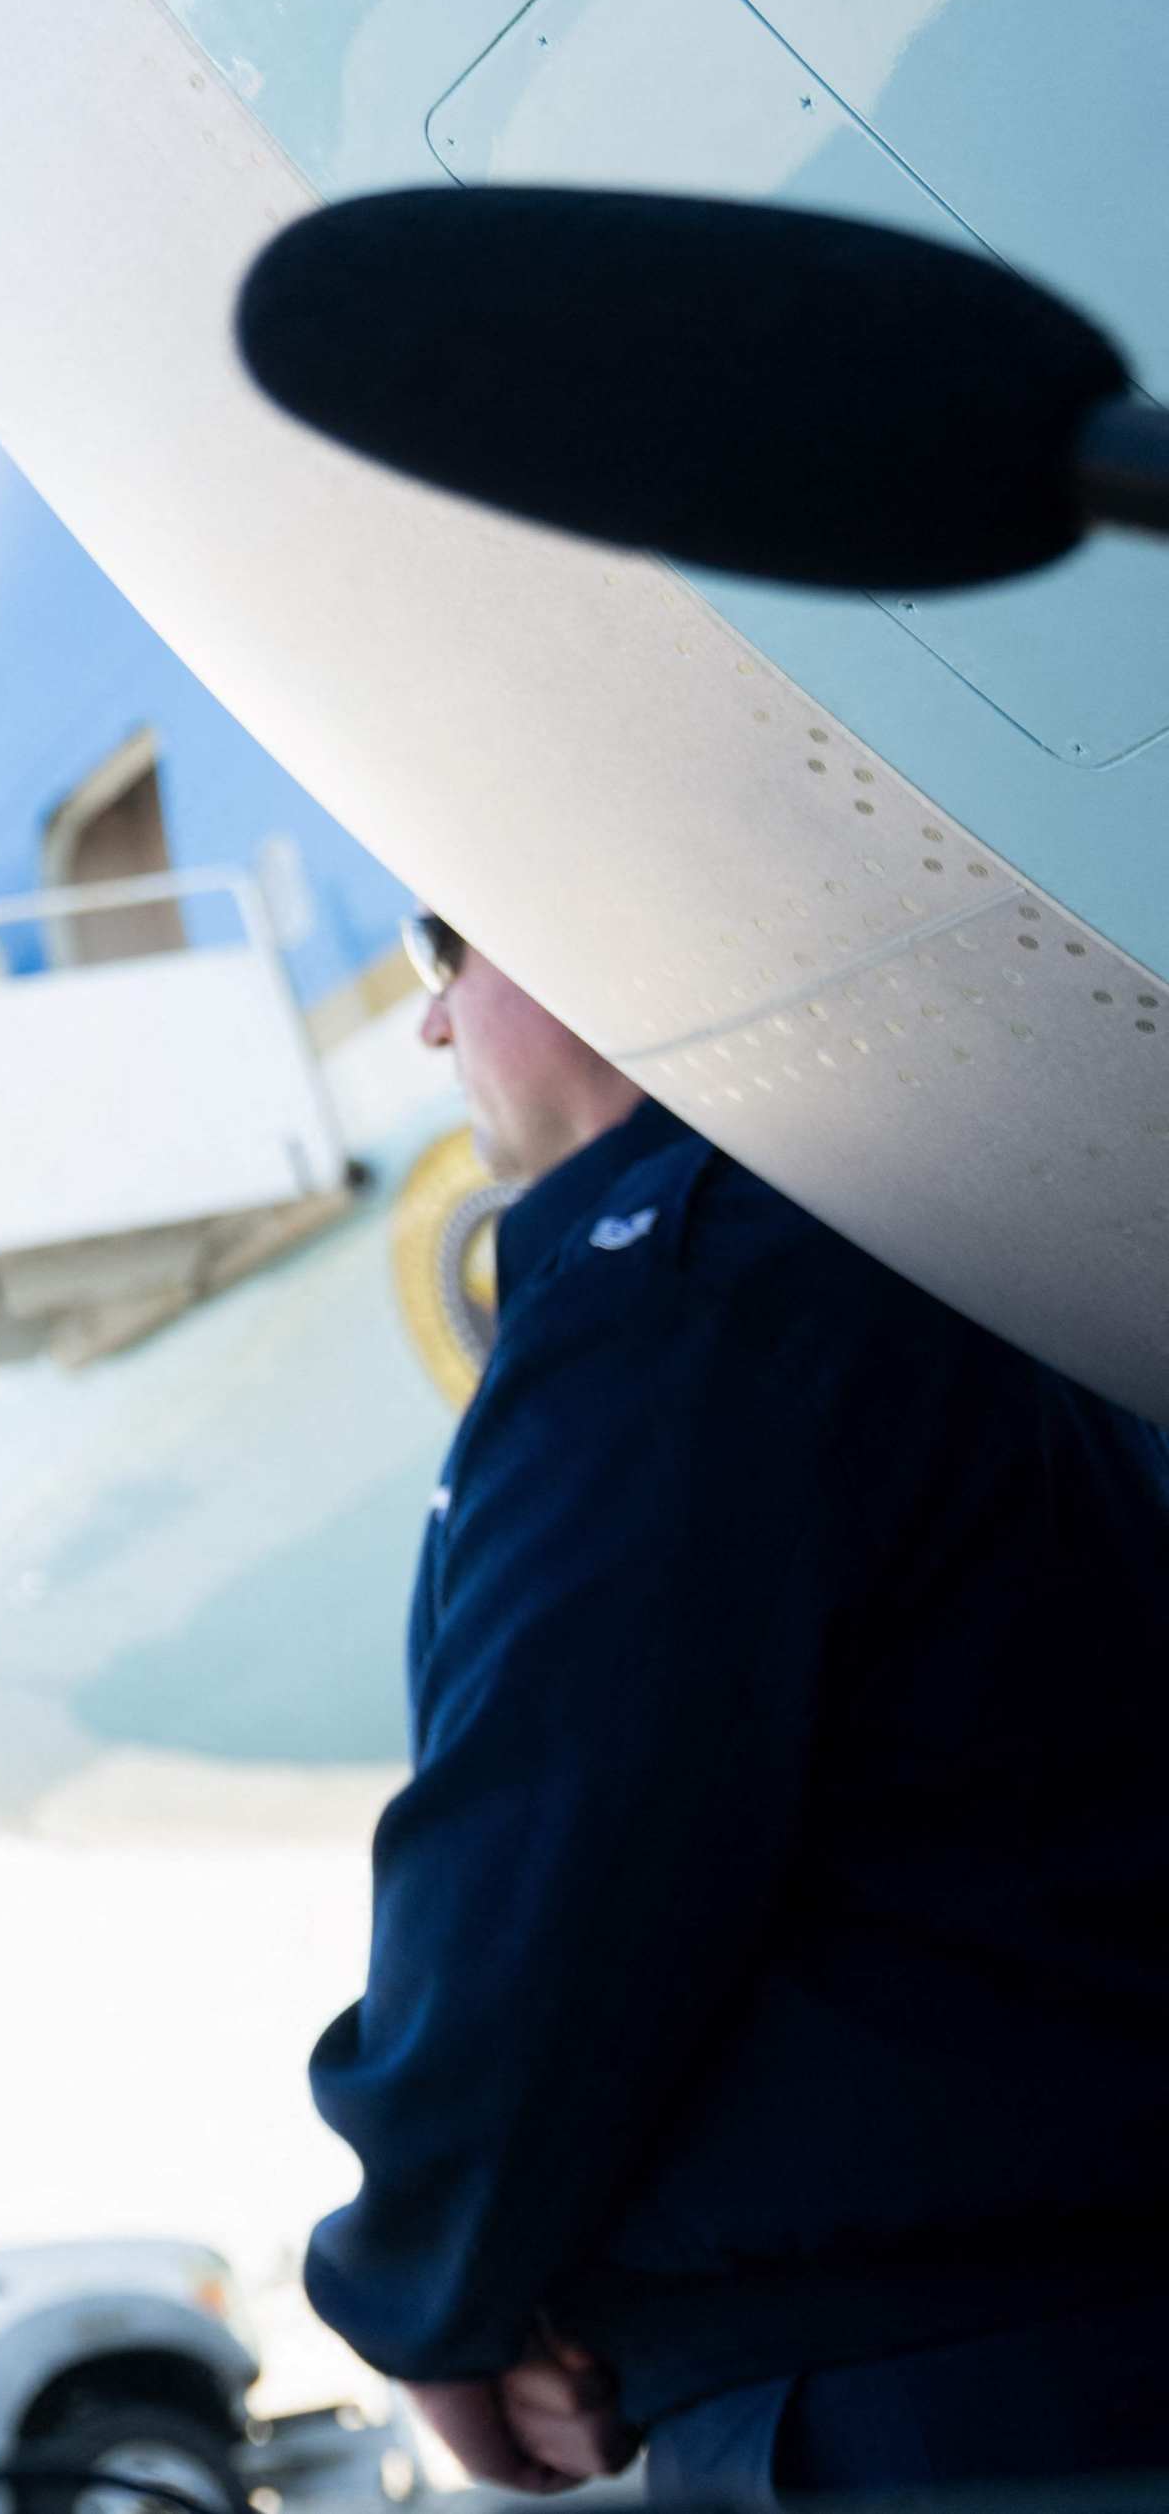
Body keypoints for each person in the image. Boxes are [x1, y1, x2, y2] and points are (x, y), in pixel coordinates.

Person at [304, 915, 1169, 2504]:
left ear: (572, 920)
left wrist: (423, 2293)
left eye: (444, 959)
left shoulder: (673, 1286)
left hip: (919, 2396)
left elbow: (549, 1857)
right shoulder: (986, 1242)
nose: (430, 1035)